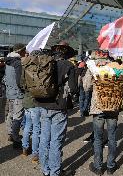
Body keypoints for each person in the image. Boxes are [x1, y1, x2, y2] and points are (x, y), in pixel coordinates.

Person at [36, 42, 77, 176]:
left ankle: (45, 170)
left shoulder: (45, 63)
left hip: (43, 104)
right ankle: (55, 172)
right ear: (66, 53)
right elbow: (74, 88)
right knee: (56, 141)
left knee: (44, 138)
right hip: (59, 106)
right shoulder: (68, 65)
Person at [85, 50, 118, 175]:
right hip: (112, 106)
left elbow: (86, 86)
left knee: (98, 138)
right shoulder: (115, 66)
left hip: (98, 106)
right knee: (112, 137)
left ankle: (98, 167)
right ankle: (110, 166)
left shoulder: (92, 67)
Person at [20, 50, 46, 164]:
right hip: (36, 102)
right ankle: (35, 154)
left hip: (26, 100)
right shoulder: (40, 68)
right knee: (37, 129)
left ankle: (25, 149)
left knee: (27, 126)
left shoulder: (25, 66)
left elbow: (21, 84)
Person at [3, 43, 25, 148]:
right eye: (24, 50)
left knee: (10, 114)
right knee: (17, 117)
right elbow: (19, 80)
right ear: (20, 51)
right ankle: (16, 140)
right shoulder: (17, 63)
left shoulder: (8, 61)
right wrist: (23, 89)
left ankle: (10, 134)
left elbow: (5, 78)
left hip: (9, 93)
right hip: (17, 94)